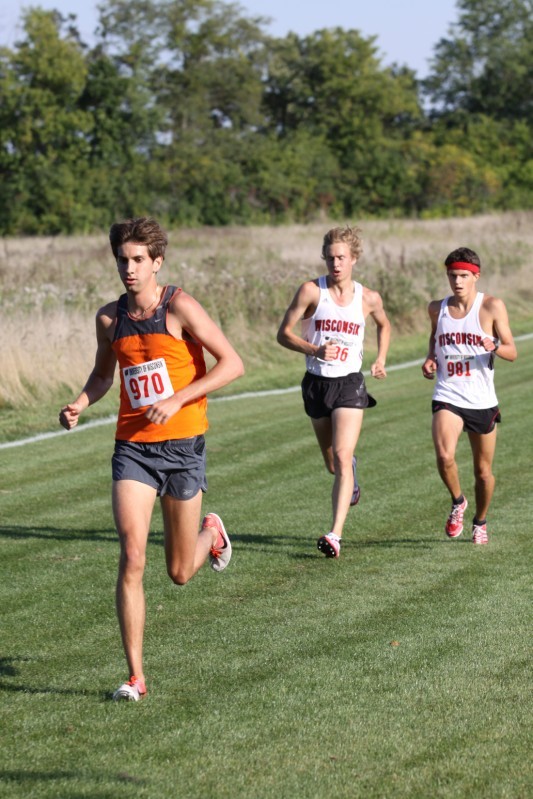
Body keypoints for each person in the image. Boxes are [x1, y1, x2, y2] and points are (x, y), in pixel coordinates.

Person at [59, 217, 244, 700]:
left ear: (157, 262)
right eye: (123, 259)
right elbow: (103, 377)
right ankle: (136, 676)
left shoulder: (178, 306)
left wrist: (180, 399)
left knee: (180, 572)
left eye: (139, 259)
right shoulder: (109, 318)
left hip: (183, 448)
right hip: (133, 449)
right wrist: (80, 402)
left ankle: (212, 534)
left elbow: (232, 364)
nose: (129, 268)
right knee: (132, 555)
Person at [277, 225, 391, 559]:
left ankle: (335, 534)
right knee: (333, 463)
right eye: (330, 258)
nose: (335, 263)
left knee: (341, 456)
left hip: (349, 384)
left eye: (341, 257)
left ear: (354, 258)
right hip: (316, 384)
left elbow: (385, 324)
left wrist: (381, 358)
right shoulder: (311, 292)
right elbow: (282, 334)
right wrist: (313, 350)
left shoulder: (368, 298)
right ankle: (349, 472)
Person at [422, 247, 517, 545]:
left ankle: (480, 520)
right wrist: (430, 359)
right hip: (448, 393)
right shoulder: (437, 308)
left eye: (463, 275)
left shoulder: (491, 307)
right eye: (452, 275)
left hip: (481, 400)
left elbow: (512, 351)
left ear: (476, 276)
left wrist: (495, 347)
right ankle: (458, 502)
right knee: (444, 454)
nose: (457, 281)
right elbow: (435, 338)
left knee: (483, 472)